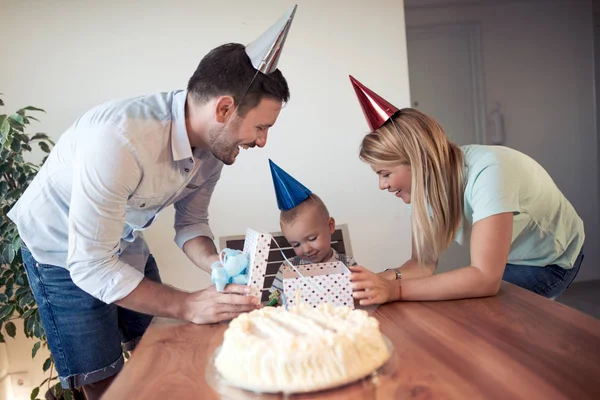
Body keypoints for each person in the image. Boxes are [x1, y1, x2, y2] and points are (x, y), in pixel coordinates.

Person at [7, 6, 297, 398]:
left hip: (121, 238)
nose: (262, 141)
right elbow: (90, 264)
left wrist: (215, 263)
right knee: (104, 379)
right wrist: (188, 303)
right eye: (260, 127)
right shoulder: (119, 140)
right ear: (224, 109)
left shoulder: (214, 148)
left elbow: (191, 223)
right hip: (59, 249)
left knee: (160, 345)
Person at [346, 75, 585, 306]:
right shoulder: (426, 185)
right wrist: (376, 281)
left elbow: (484, 278)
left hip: (550, 262)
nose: (382, 185)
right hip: (510, 257)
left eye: (385, 174)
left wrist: (393, 290)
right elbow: (422, 265)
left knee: (481, 319)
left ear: (418, 162)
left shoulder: (489, 173)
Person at [267, 160, 358, 306]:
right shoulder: (288, 269)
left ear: (330, 226)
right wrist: (273, 305)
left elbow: (361, 296)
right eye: (296, 244)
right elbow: (274, 300)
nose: (306, 249)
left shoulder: (347, 264)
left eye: (312, 238)